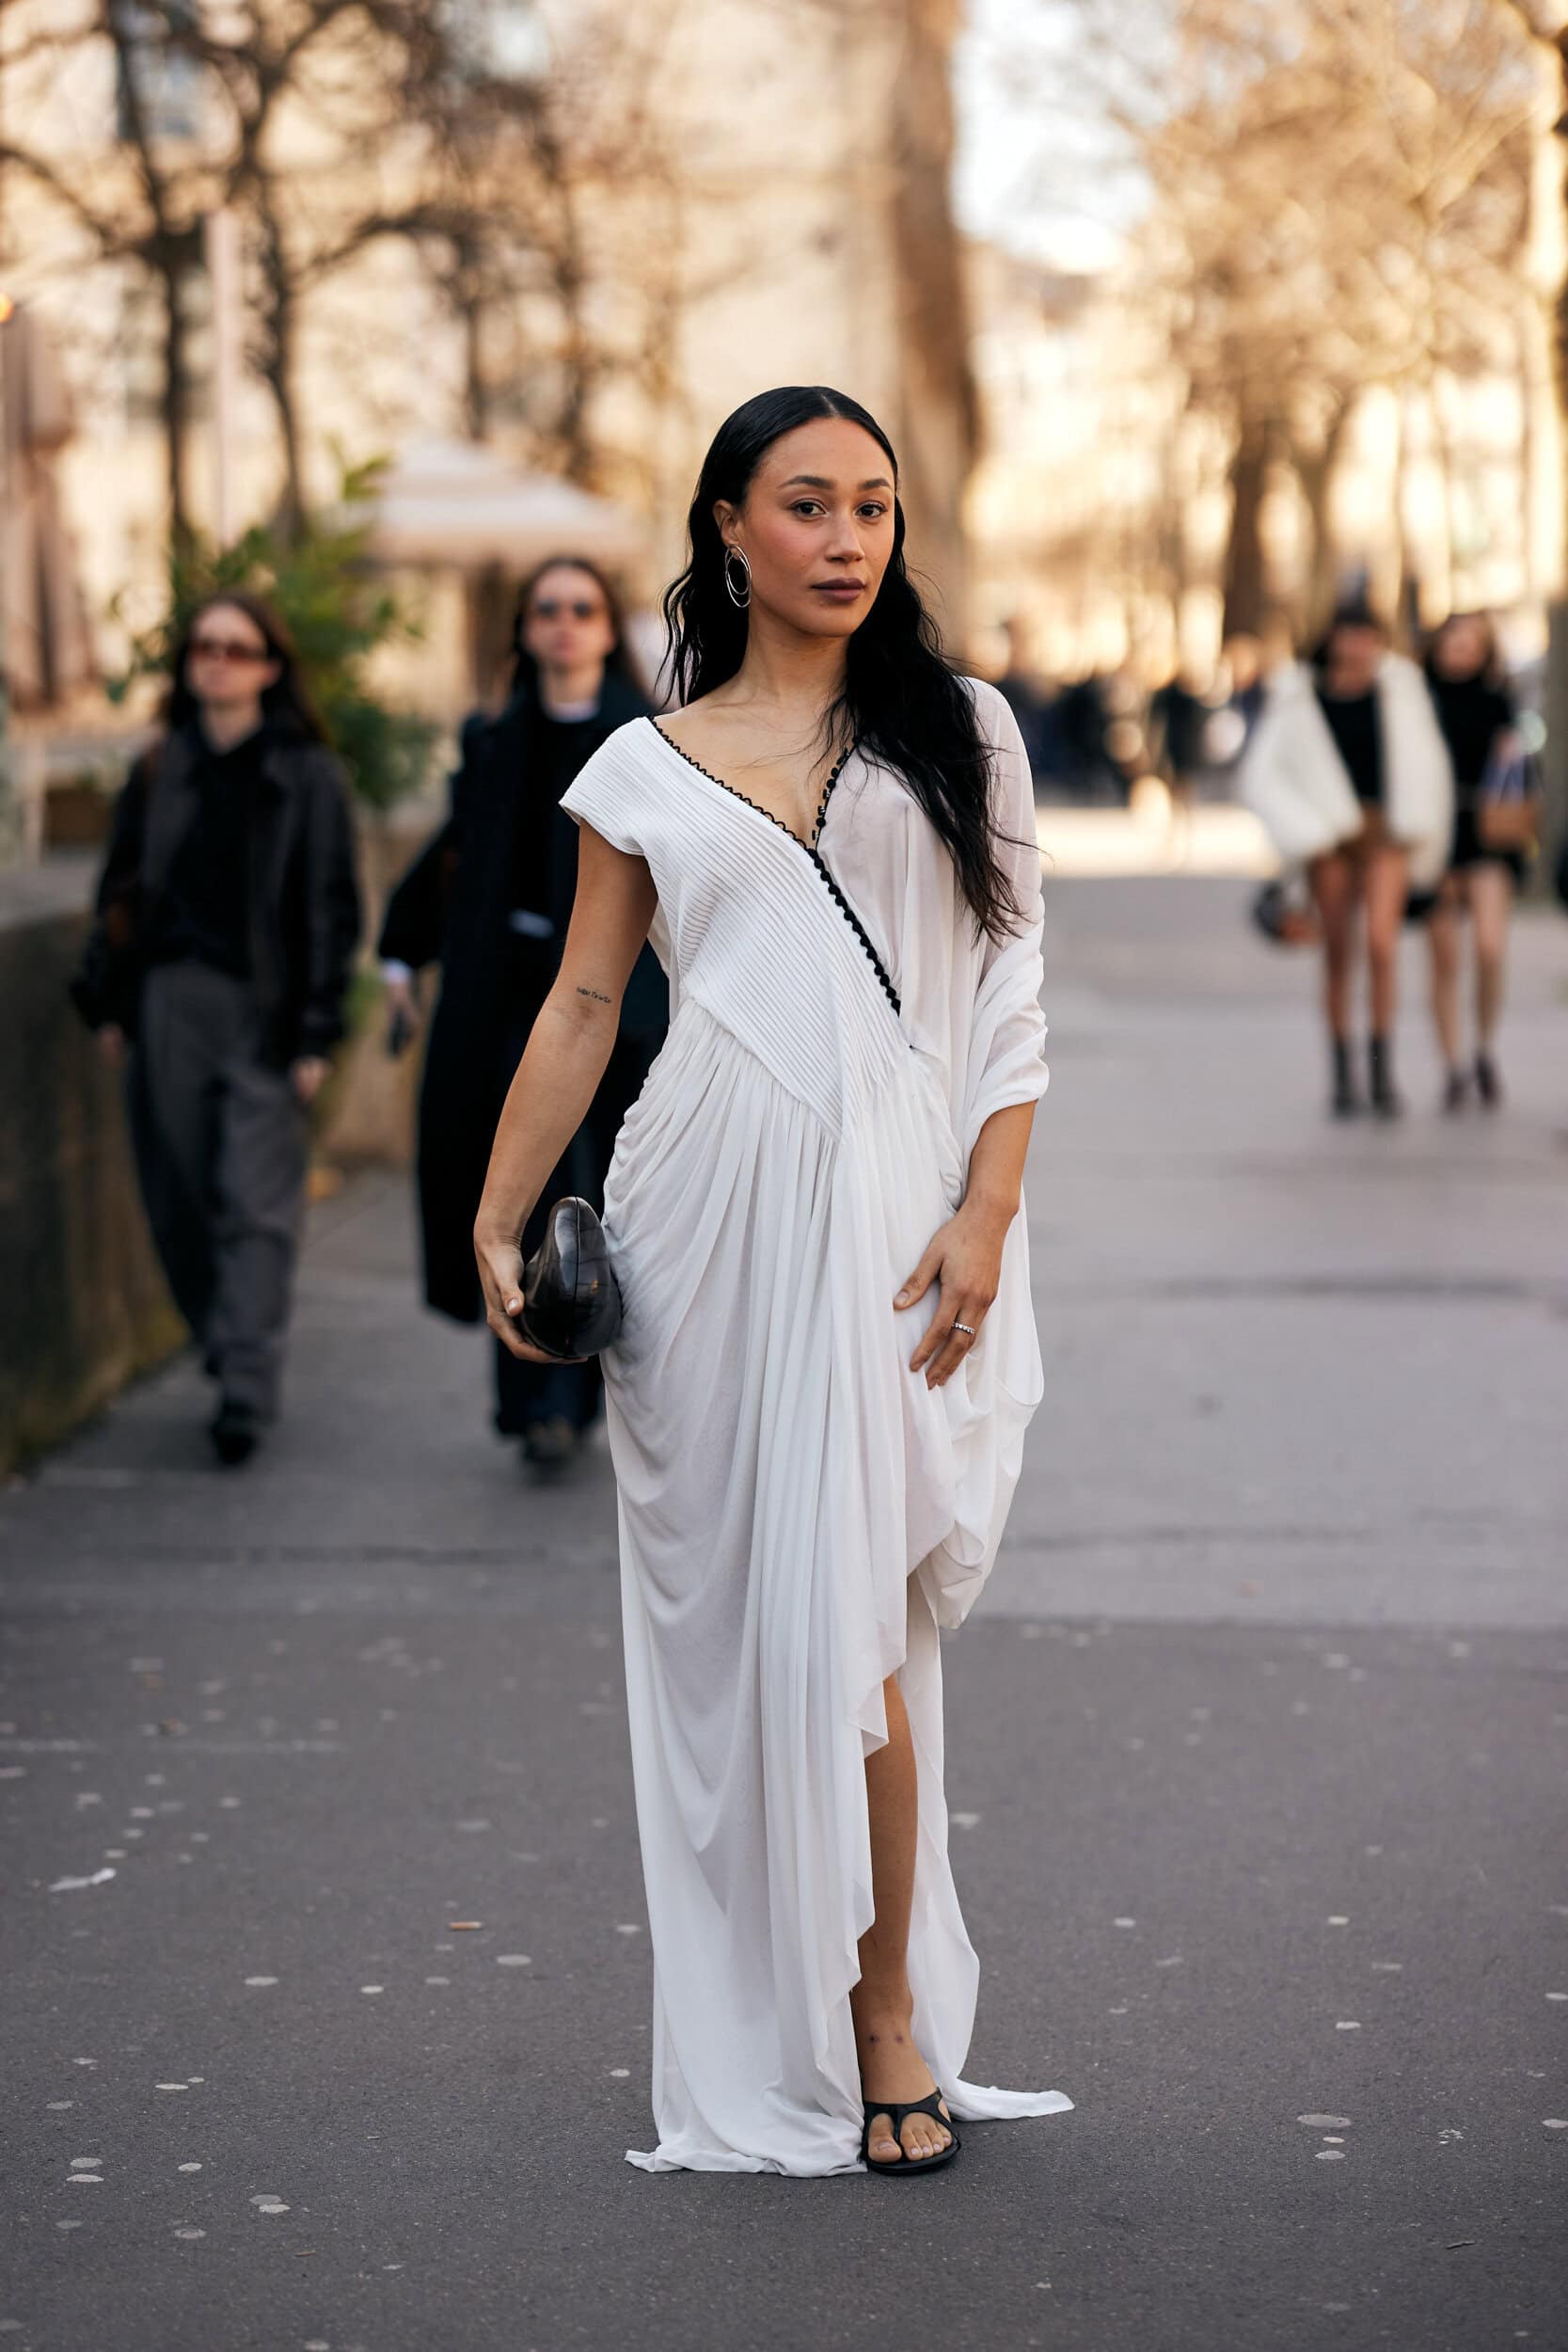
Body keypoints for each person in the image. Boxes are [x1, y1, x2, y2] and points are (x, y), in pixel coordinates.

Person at [473, 386, 1073, 2176]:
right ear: (726, 526)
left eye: (874, 507)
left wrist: (987, 1214)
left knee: (864, 1619)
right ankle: (766, 2003)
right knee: (752, 1632)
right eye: (806, 504)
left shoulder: (962, 730)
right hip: (698, 1220)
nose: (845, 537)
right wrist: (501, 1216)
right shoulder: (644, 767)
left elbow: (1014, 998)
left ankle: (882, 2009)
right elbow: (588, 1002)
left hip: (898, 1215)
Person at [378, 557, 665, 1471]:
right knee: (519, 1191)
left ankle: (574, 1392)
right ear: (526, 629)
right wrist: (400, 948)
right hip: (508, 1000)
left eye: (582, 608)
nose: (564, 625)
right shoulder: (497, 737)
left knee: (602, 1198)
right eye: (547, 610)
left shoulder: (649, 738)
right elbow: (458, 851)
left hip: (615, 1012)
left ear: (604, 625)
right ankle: (528, 1392)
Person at [70, 592, 360, 1464]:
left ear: (270, 669)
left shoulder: (308, 775)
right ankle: (224, 1334)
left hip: (266, 1012)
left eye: (238, 650)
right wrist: (111, 1004)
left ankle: (244, 1381)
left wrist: (315, 1033)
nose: (219, 662)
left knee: (258, 1203)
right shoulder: (161, 766)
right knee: (181, 1191)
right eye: (205, 648)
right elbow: (119, 891)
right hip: (168, 1003)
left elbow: (331, 909)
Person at [1243, 602, 1451, 1118]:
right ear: (1334, 638)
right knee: (1339, 952)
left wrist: (1426, 836)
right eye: (1350, 636)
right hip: (1331, 840)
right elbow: (1269, 773)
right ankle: (1343, 1071)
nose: (1359, 647)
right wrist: (1309, 829)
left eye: (1368, 637)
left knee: (1383, 947)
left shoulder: (1401, 690)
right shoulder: (1300, 695)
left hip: (1387, 835)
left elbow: (1427, 765)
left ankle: (1381, 1069)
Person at [1422, 613, 1525, 1111]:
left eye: (1472, 644)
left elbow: (1518, 765)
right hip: (1435, 837)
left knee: (1489, 947)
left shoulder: (1499, 700)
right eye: (1454, 641)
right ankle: (1452, 1064)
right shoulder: (1417, 701)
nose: (1461, 651)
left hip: (1487, 834)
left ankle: (1483, 1046)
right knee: (1443, 957)